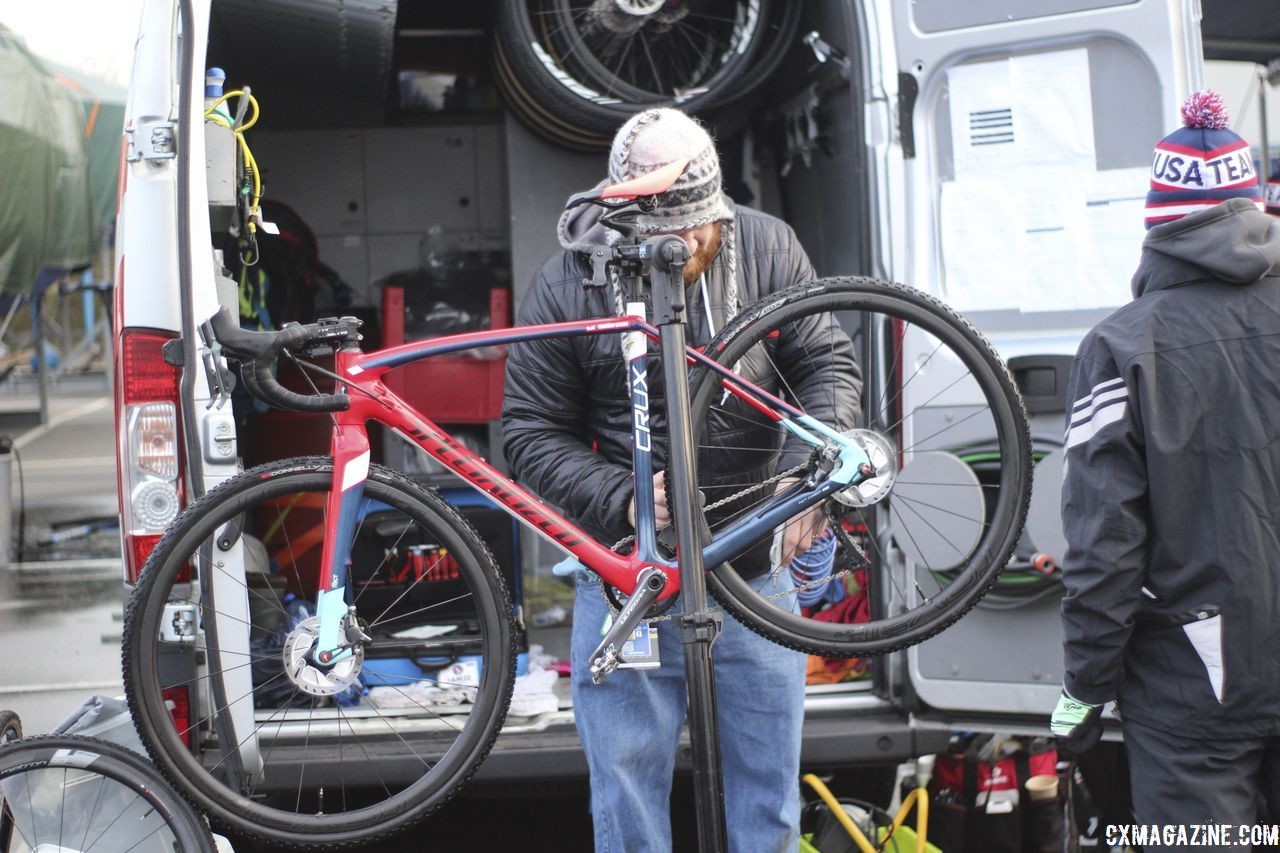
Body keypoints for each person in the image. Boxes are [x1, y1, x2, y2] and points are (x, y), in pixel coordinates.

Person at [502, 108, 860, 851]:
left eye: (704, 229)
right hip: (629, 573)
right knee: (627, 797)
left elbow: (826, 361)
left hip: (756, 567)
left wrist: (811, 474)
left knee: (768, 796)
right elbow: (529, 432)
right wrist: (623, 495)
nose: (693, 245)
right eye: (674, 234)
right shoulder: (569, 279)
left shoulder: (766, 245)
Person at [1050, 91, 1280, 834]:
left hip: (1194, 693)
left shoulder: (1120, 346)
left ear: (1158, 224)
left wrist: (1081, 696)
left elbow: (1106, 549)